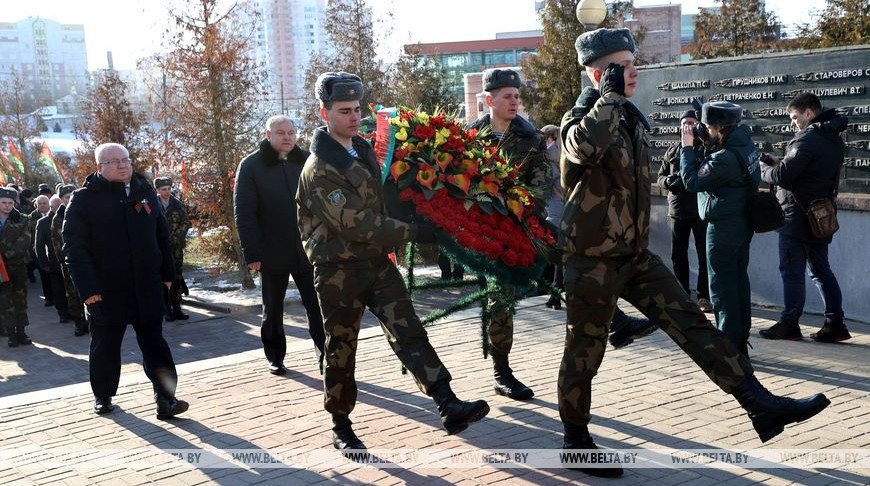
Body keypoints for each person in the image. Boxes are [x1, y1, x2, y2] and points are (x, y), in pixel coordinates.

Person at [558, 27, 829, 477]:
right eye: (623, 65)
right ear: (597, 72)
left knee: (690, 319)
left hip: (633, 255)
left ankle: (758, 404)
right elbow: (581, 150)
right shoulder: (583, 115)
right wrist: (605, 99)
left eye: (631, 62)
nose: (633, 71)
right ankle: (575, 441)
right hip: (590, 259)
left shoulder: (628, 117)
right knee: (584, 352)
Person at [297, 72, 489, 455]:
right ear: (325, 114)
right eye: (344, 110)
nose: (353, 117)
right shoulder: (320, 168)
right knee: (341, 348)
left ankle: (447, 403)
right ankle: (341, 424)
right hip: (338, 271)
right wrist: (414, 231)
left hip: (375, 264)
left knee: (409, 331)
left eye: (356, 109)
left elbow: (382, 200)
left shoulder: (362, 149)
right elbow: (357, 223)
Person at [63, 143, 188, 419]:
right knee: (106, 346)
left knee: (156, 345)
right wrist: (88, 289)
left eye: (126, 160)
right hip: (106, 290)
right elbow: (74, 249)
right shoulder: (84, 200)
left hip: (147, 286)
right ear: (100, 167)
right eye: (115, 162)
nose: (123, 166)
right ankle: (103, 396)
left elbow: (162, 238)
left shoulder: (145, 194)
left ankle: (166, 399)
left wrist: (167, 276)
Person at [464, 68, 553, 400]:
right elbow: (460, 183)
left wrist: (522, 205)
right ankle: (502, 373)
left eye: (517, 96)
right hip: (486, 232)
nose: (514, 101)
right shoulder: (469, 137)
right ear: (489, 100)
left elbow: (544, 182)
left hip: (523, 226)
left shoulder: (530, 138)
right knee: (499, 296)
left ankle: (614, 319)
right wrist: (485, 204)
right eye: (507, 96)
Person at [234, 115, 326, 375]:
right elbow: (244, 211)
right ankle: (275, 355)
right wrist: (252, 252)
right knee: (272, 309)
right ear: (268, 135)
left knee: (317, 305)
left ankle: (326, 356)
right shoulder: (251, 165)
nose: (287, 137)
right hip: (271, 250)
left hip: (309, 248)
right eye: (281, 132)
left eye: (291, 133)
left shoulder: (308, 160)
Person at [758, 92, 850, 343]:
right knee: (821, 271)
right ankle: (835, 323)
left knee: (792, 272)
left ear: (809, 113)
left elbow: (783, 177)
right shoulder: (832, 138)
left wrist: (765, 168)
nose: (793, 122)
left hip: (796, 218)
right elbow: (808, 170)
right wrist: (783, 160)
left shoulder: (808, 138)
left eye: (795, 116)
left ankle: (789, 324)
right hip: (820, 216)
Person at [681, 101, 758, 355]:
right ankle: (740, 338)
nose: (703, 131)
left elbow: (692, 181)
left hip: (723, 227)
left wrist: (687, 149)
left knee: (722, 288)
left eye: (706, 127)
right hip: (741, 223)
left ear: (718, 127)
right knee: (738, 282)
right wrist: (706, 144)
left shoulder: (724, 158)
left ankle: (729, 347)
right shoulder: (744, 144)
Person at [658, 110, 713, 313]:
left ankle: (704, 297)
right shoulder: (672, 150)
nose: (687, 126)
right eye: (684, 123)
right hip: (677, 210)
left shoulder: (706, 149)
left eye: (691, 122)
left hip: (699, 210)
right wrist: (667, 181)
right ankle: (682, 294)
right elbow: (660, 176)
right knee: (678, 255)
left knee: (702, 255)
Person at [52, 184, 88, 337]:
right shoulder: (58, 218)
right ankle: (79, 323)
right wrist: (65, 260)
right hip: (68, 263)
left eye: (73, 195)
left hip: (86, 260)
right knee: (73, 293)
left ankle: (91, 322)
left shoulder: (84, 212)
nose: (70, 199)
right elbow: (56, 243)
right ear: (62, 200)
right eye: (67, 197)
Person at [154, 177, 192, 322]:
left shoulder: (177, 204)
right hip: (158, 249)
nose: (167, 192)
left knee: (176, 276)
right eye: (164, 189)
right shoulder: (152, 205)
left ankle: (177, 307)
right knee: (163, 278)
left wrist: (175, 238)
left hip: (175, 248)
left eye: (169, 189)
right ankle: (166, 309)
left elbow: (185, 222)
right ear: (157, 190)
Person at [0, 187, 33, 347]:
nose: (7, 206)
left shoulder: (22, 219)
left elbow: (25, 242)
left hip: (17, 265)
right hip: (0, 268)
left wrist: (7, 255)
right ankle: (11, 334)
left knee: (20, 299)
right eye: (4, 202)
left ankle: (21, 332)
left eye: (10, 203)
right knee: (5, 300)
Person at [34, 195, 71, 325]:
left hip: (71, 262)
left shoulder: (69, 216)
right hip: (54, 263)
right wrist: (43, 263)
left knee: (72, 289)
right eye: (56, 207)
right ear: (51, 207)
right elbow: (38, 245)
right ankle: (63, 313)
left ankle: (74, 311)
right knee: (59, 289)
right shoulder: (43, 222)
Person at [542, 124, 565, 310]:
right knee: (562, 256)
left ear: (550, 138)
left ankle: (555, 295)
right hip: (563, 210)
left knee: (560, 256)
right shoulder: (564, 153)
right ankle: (555, 295)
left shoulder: (548, 155)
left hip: (555, 212)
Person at [30, 195, 54, 307]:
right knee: (44, 276)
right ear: (36, 205)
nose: (42, 205)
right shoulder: (31, 217)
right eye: (40, 203)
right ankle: (48, 297)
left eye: (45, 203)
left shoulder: (54, 215)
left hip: (53, 251)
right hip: (39, 251)